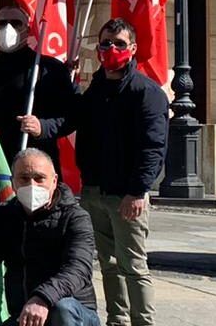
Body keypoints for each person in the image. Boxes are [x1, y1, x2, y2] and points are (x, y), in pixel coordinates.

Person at [55, 19, 167, 326]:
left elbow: (153, 148)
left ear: (132, 48)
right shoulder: (96, 90)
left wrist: (137, 191)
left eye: (119, 43)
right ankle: (117, 320)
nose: (112, 49)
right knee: (108, 263)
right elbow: (72, 118)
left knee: (133, 265)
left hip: (126, 195)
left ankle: (142, 322)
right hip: (94, 191)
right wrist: (68, 84)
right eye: (106, 43)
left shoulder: (146, 92)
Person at [0, 6, 77, 202]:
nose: (8, 28)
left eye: (16, 23)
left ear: (28, 29)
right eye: (2, 23)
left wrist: (42, 127)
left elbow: (72, 116)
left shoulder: (50, 70)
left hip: (36, 174)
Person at [0, 149, 100, 326]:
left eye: (39, 178)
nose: (32, 185)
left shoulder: (75, 217)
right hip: (25, 315)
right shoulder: (5, 215)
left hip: (74, 312)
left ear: (54, 181)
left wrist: (42, 298)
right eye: (24, 178)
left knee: (62, 309)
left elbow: (78, 270)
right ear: (13, 183)